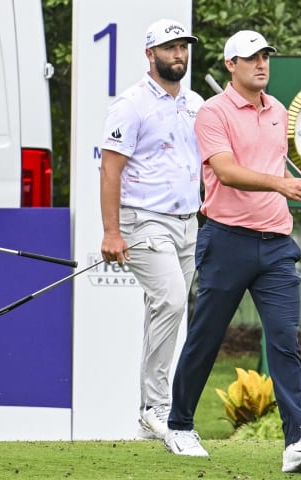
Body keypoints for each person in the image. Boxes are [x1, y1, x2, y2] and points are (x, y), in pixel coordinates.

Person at [164, 30, 301, 473]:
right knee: (205, 337)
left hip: (277, 243)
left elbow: (275, 168)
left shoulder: (277, 110)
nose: (261, 64)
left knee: (284, 340)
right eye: (251, 58)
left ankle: (297, 441)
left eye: (265, 57)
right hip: (227, 240)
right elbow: (227, 171)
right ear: (230, 66)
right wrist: (281, 184)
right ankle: (179, 425)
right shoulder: (212, 113)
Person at [99, 18, 202, 440]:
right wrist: (110, 231)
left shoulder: (195, 103)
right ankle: (155, 405)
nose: (179, 54)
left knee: (164, 309)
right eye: (169, 47)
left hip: (188, 222)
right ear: (150, 54)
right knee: (172, 300)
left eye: (183, 47)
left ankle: (149, 416)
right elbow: (110, 169)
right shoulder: (131, 104)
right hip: (142, 220)